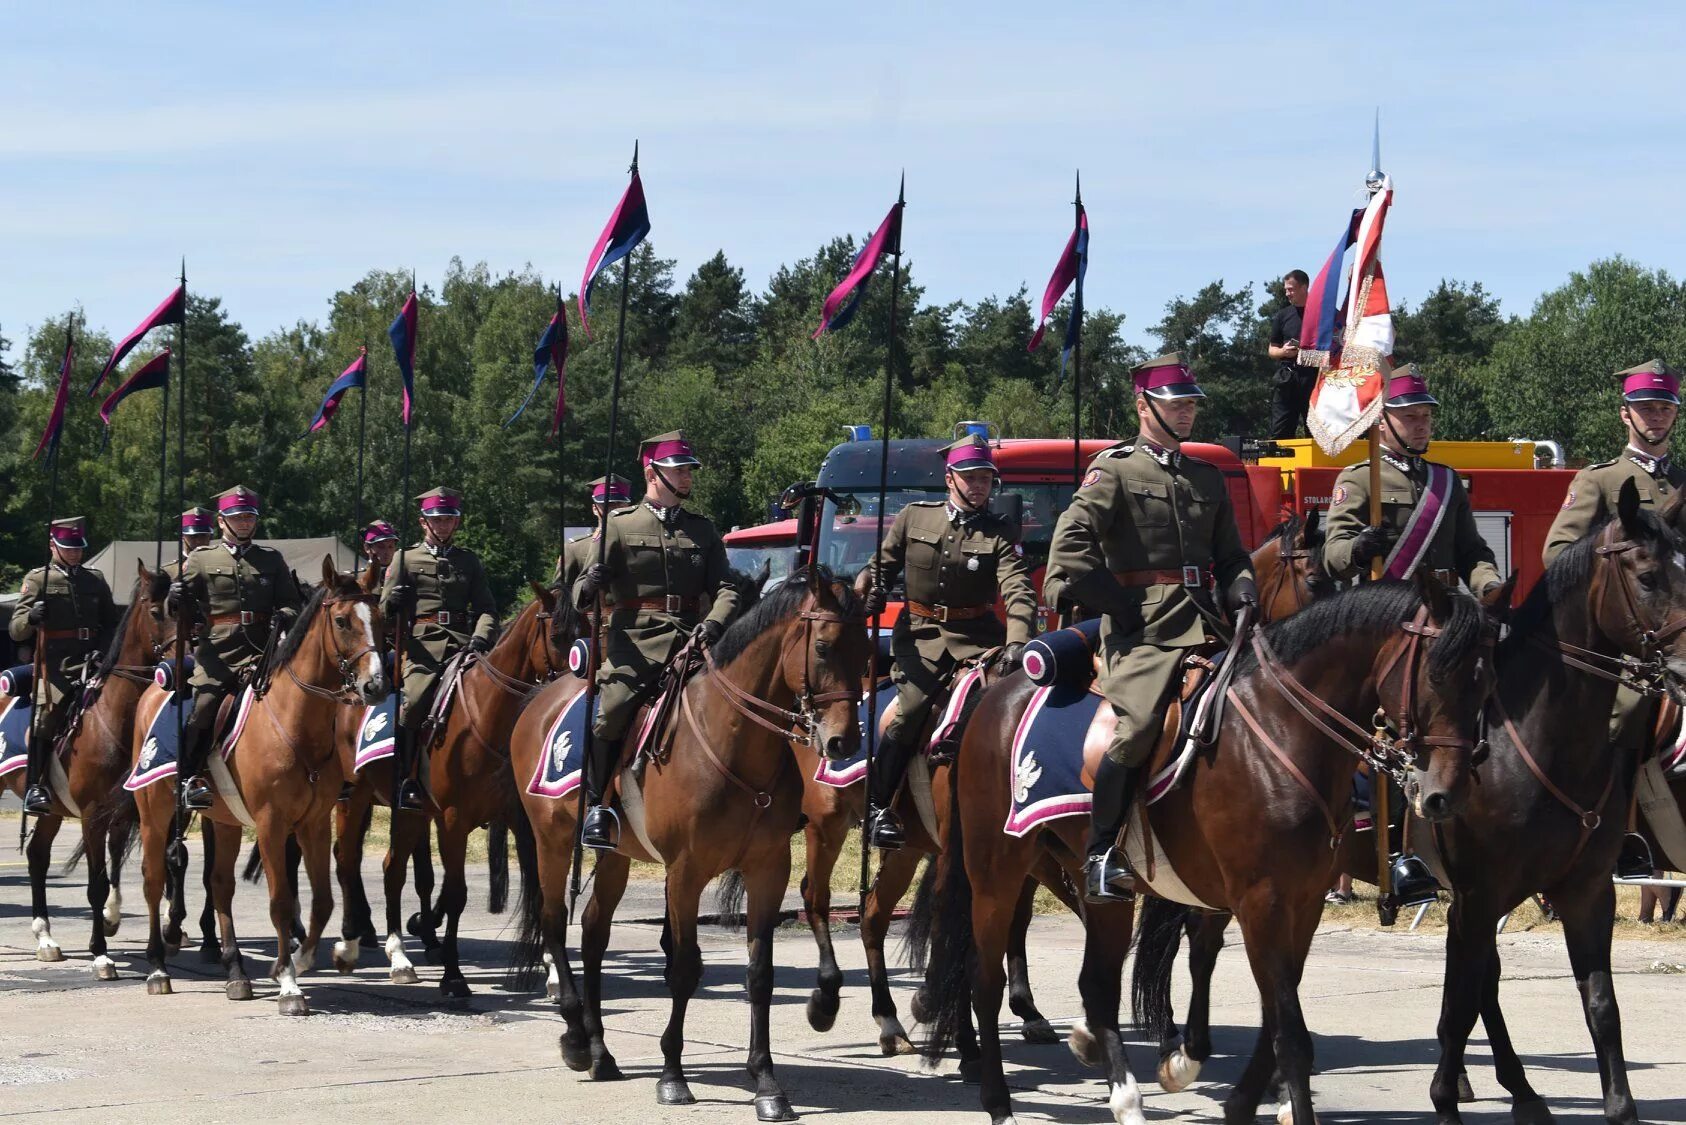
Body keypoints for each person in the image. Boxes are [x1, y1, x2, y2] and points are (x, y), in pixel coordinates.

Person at [1045, 353, 1257, 902]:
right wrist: (1120, 605)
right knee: (1137, 728)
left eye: (1190, 405)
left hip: (1209, 620)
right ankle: (1100, 853)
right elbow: (1070, 549)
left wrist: (1244, 591)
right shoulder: (1115, 469)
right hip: (1144, 632)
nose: (1186, 414)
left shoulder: (1205, 476)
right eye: (1175, 405)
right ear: (1144, 406)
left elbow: (1230, 555)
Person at [1322, 364, 1503, 906]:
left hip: (1446, 623)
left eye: (1425, 416)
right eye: (1410, 416)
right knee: (1394, 735)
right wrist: (1357, 549)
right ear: (1384, 423)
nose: (1421, 425)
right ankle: (1404, 857)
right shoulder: (1359, 479)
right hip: (1391, 628)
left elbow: (1472, 552)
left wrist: (1490, 585)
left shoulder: (1447, 481)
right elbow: (1331, 555)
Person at [855, 435, 1037, 849]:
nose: (979, 486)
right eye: (970, 478)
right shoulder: (914, 518)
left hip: (978, 640)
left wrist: (1018, 640)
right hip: (920, 637)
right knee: (913, 708)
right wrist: (874, 589)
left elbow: (1018, 588)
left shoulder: (1000, 533)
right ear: (949, 478)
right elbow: (880, 566)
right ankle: (878, 807)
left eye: (986, 479)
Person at [1544, 360, 1686, 879]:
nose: (1656, 417)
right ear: (1625, 414)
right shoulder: (1600, 480)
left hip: (1679, 627)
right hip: (1624, 641)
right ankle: (1622, 836)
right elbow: (1558, 553)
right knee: (1627, 713)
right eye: (1647, 408)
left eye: (1665, 407)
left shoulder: (1684, 481)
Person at [574, 431, 740, 850]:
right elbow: (577, 596)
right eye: (678, 471)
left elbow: (728, 587)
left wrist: (714, 624)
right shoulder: (619, 525)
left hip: (695, 641)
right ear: (653, 473)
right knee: (610, 712)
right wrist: (590, 583)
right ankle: (599, 806)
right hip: (636, 645)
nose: (686, 479)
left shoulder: (702, 529)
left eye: (688, 472)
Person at [169, 487, 305, 810]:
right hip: (219, 654)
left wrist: (282, 617)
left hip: (265, 651)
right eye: (237, 518)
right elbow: (182, 612)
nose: (244, 523)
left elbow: (291, 604)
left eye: (248, 517)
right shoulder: (202, 559)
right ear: (221, 521)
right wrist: (173, 599)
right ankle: (189, 778)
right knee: (204, 706)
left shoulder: (271, 559)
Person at [379, 488, 497, 812]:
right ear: (423, 522)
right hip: (422, 649)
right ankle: (408, 780)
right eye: (437, 520)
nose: (443, 525)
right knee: (413, 703)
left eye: (448, 519)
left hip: (464, 645)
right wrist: (393, 603)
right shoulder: (405, 558)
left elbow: (487, 608)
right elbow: (382, 616)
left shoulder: (468, 560)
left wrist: (481, 637)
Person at [10, 518, 120, 814]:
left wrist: (104, 652)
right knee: (44, 719)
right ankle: (36, 784)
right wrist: (32, 617)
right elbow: (16, 630)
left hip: (93, 661)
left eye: (77, 548)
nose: (74, 554)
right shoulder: (37, 580)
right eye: (67, 548)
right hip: (56, 669)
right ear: (52, 545)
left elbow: (111, 623)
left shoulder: (94, 580)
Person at [556, 475, 633, 593]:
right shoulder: (575, 548)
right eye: (606, 505)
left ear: (628, 506)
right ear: (594, 509)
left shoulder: (638, 544)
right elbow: (559, 596)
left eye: (619, 504)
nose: (613, 510)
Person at [1266, 269, 1313, 440]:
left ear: (1304, 287)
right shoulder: (1282, 316)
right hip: (1287, 378)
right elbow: (1271, 349)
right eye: (1286, 289)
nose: (1287, 293)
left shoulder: (1322, 314)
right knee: (1279, 431)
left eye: (1291, 289)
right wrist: (1284, 352)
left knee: (1316, 431)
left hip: (1314, 378)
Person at [162, 507, 216, 580]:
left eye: (203, 535)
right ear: (182, 536)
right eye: (193, 536)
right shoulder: (169, 571)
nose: (199, 541)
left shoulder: (219, 565)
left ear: (210, 536)